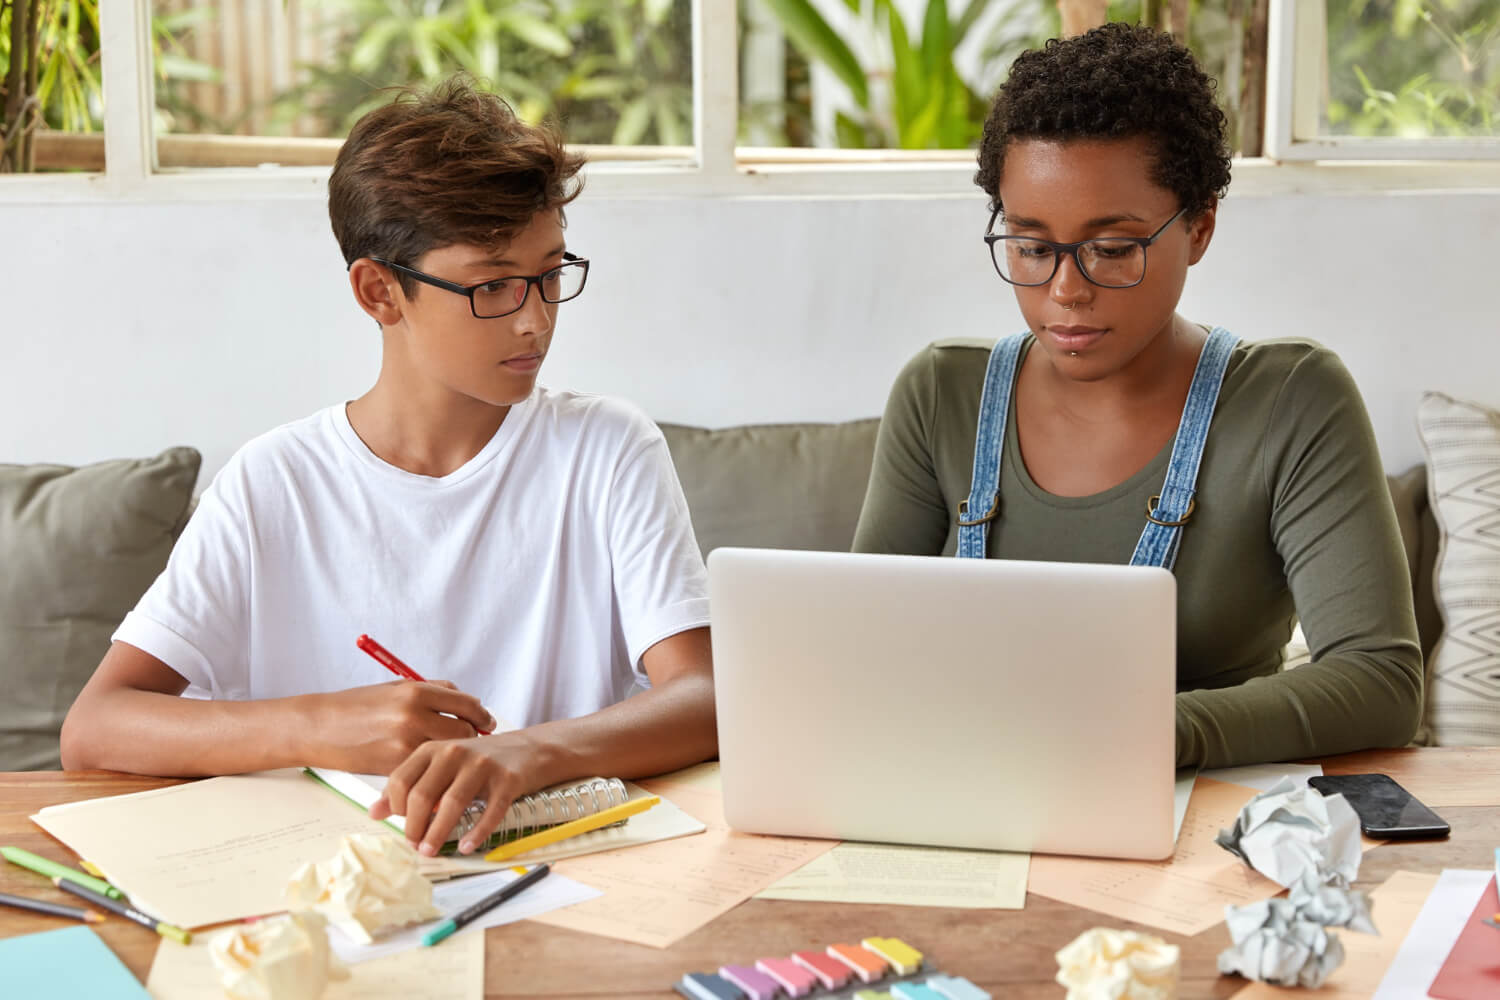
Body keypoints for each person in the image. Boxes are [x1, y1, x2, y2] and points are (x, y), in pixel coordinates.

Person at [60, 76, 717, 855]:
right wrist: (320, 723)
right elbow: (95, 728)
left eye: (548, 275)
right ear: (379, 292)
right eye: (494, 285)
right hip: (334, 882)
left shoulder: (607, 449)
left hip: (564, 873)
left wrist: (527, 751)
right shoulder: (276, 481)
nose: (536, 319)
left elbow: (707, 697)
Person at [852, 23, 1421, 769]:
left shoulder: (1293, 399)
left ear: (1201, 226)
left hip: (1199, 825)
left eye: (1112, 249)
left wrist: (1149, 735)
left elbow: (1381, 683)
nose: (1066, 290)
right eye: (1030, 246)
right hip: (968, 790)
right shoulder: (939, 395)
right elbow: (856, 648)